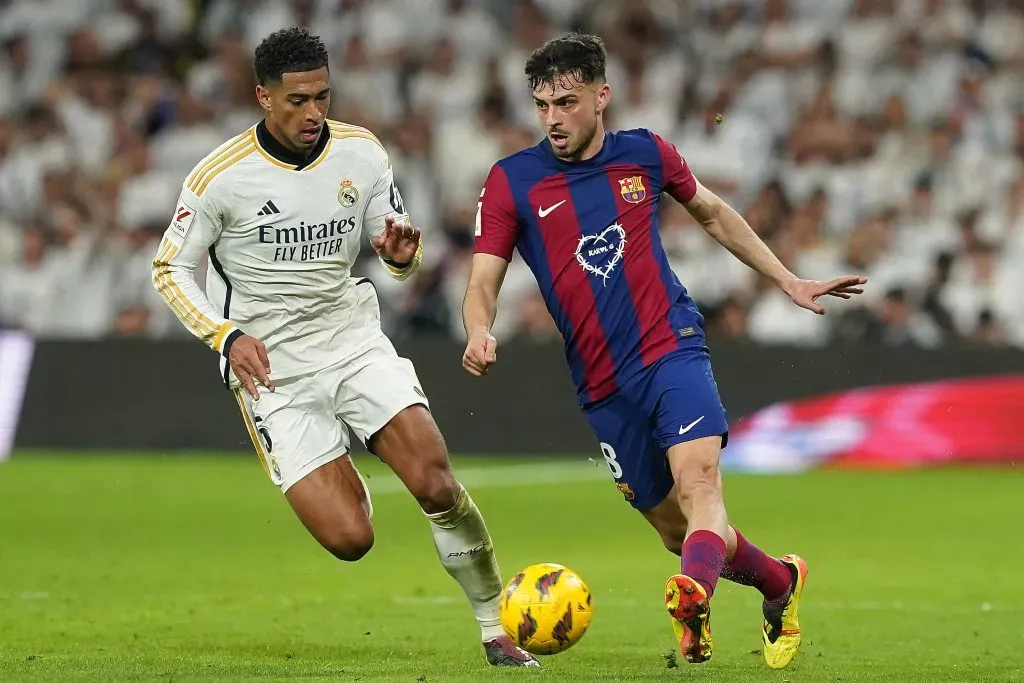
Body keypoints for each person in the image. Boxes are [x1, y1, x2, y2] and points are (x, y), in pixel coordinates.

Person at [461, 32, 866, 668]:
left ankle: (693, 599)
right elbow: (482, 280)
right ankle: (779, 582)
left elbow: (712, 213)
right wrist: (478, 328)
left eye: (566, 102)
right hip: (600, 384)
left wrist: (788, 278)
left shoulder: (646, 153)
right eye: (542, 105)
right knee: (680, 532)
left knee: (700, 481)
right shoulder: (514, 180)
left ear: (602, 97)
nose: (553, 118)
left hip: (670, 345)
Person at [151, 27, 537, 669]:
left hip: (352, 339)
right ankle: (332, 456)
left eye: (323, 97)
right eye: (297, 100)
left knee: (435, 481)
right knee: (351, 539)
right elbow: (169, 269)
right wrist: (227, 335)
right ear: (262, 98)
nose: (313, 114)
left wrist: (403, 260)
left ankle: (494, 627)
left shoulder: (362, 153)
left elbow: (396, 250)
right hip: (273, 368)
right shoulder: (219, 177)